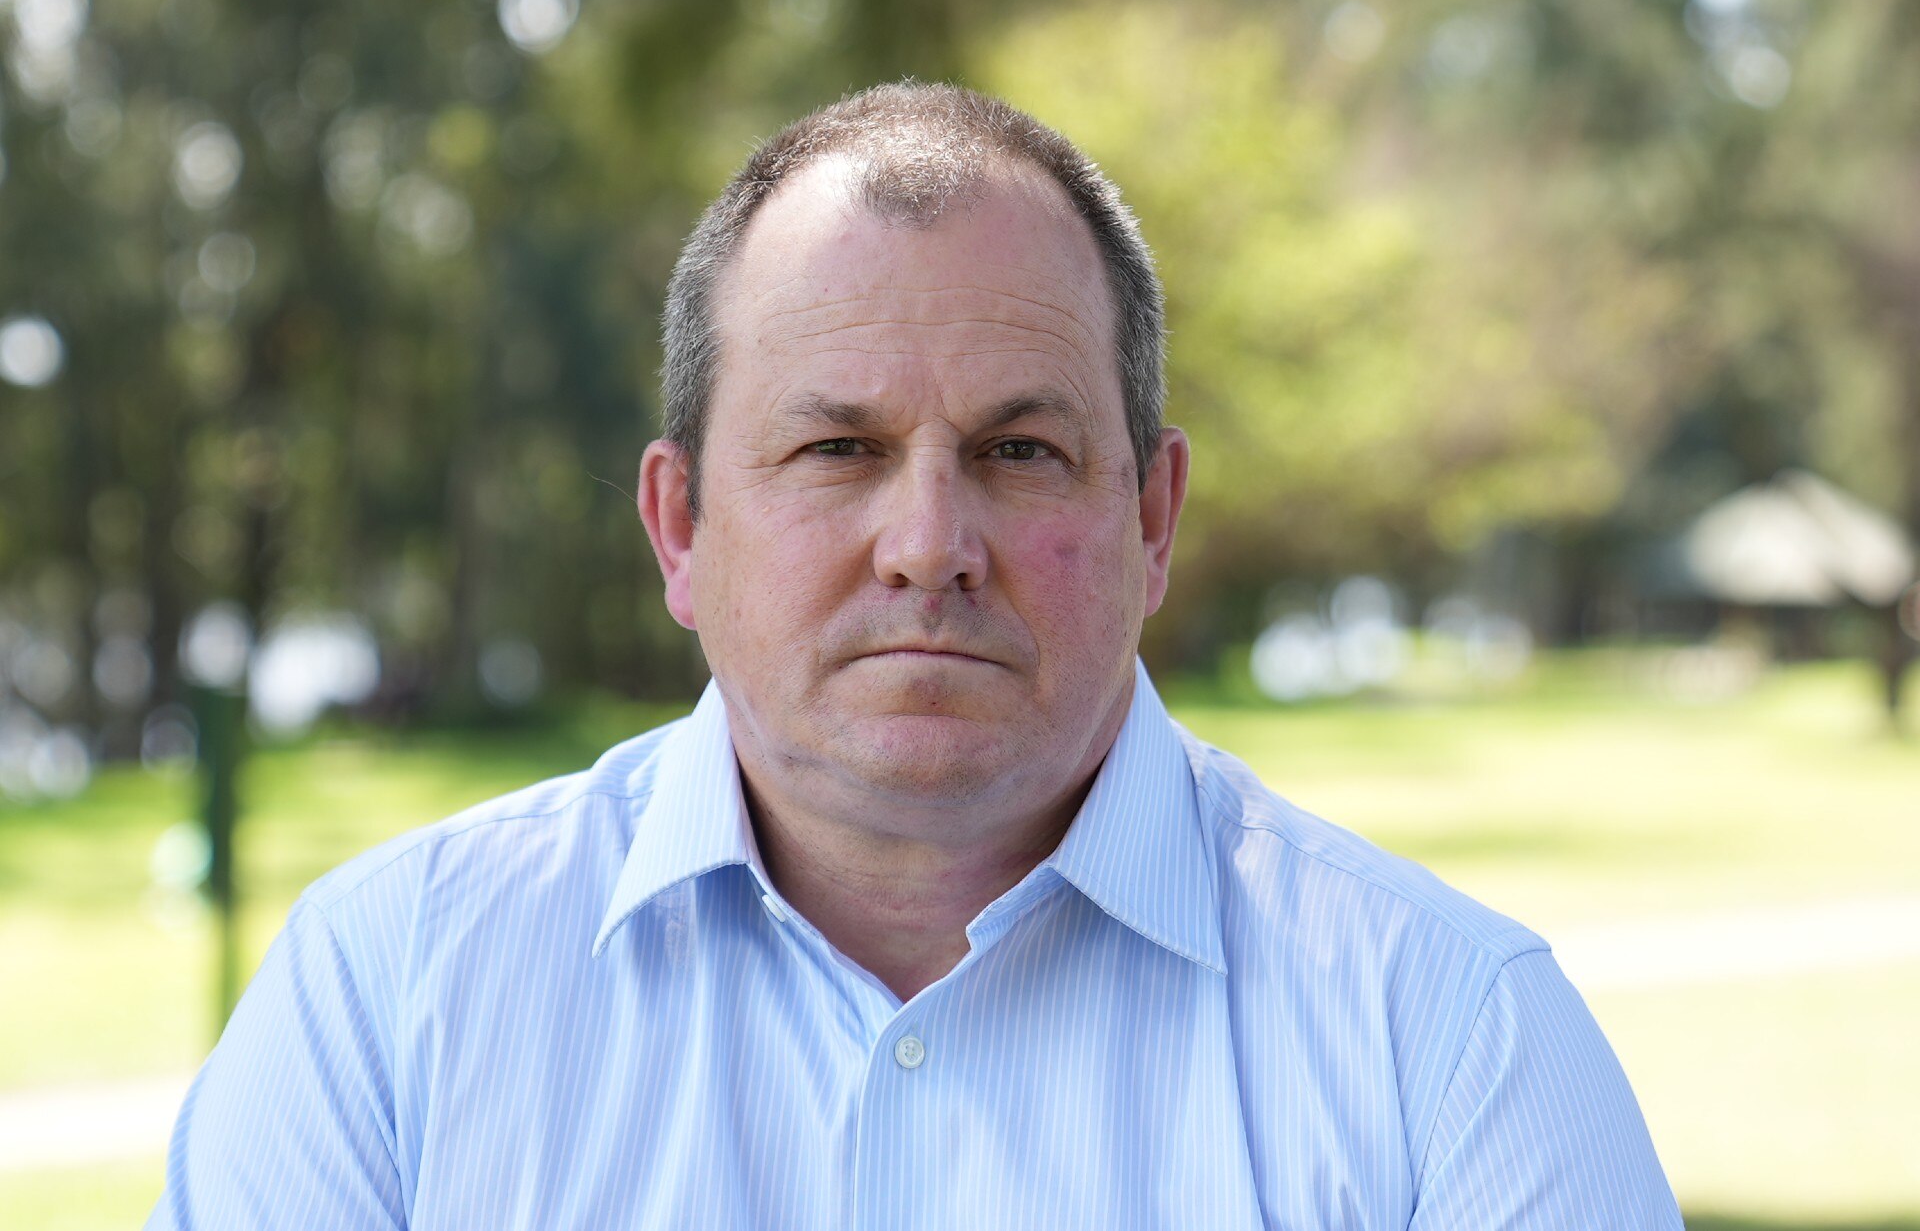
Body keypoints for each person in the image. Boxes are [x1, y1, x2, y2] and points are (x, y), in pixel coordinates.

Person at [148, 83, 1682, 1229]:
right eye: (837, 445)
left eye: (1019, 446)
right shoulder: (387, 999)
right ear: (679, 527)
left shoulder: (1458, 1043)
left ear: (1153, 519)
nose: (929, 538)